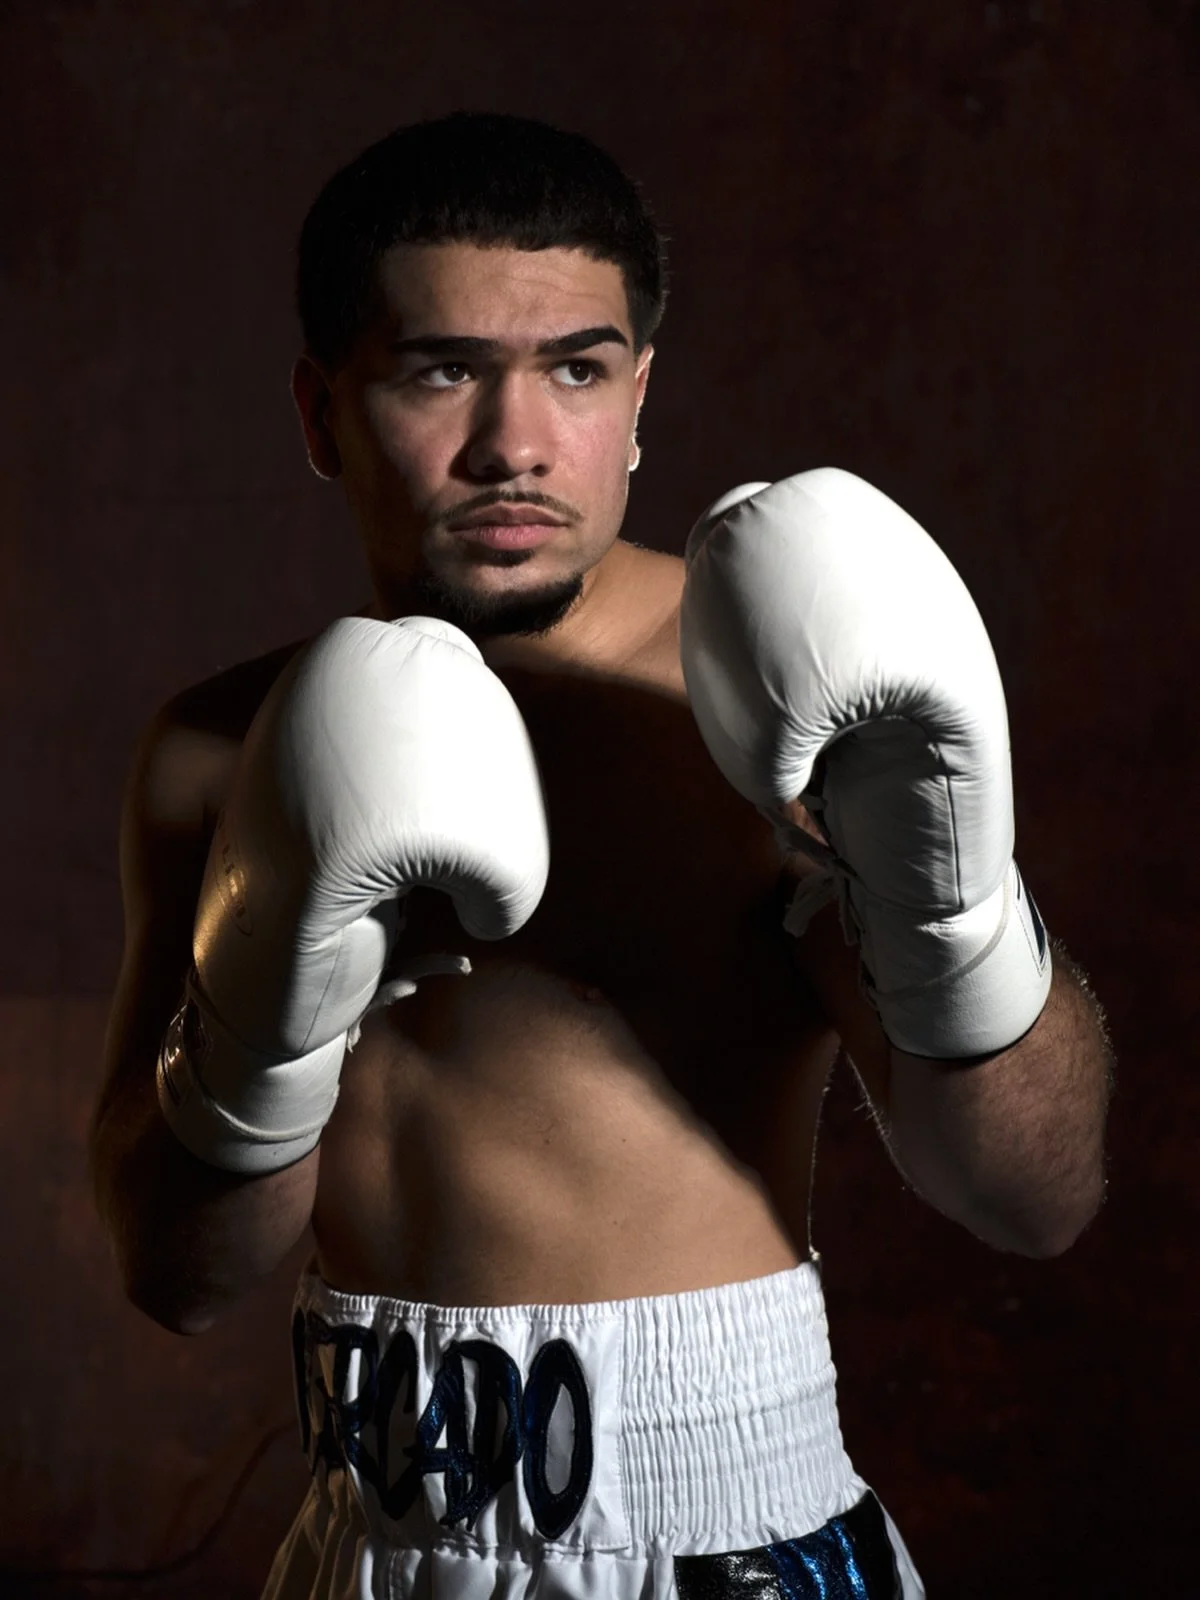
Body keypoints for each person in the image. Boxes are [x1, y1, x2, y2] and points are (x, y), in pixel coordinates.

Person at [88, 112, 1113, 1599]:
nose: (515, 445)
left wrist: (950, 912)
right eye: (442, 371)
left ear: (638, 401)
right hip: (366, 1542)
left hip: (721, 1543)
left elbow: (1034, 1199)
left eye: (576, 369)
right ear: (321, 413)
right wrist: (256, 1036)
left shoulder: (766, 712)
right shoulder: (217, 752)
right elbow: (179, 1277)